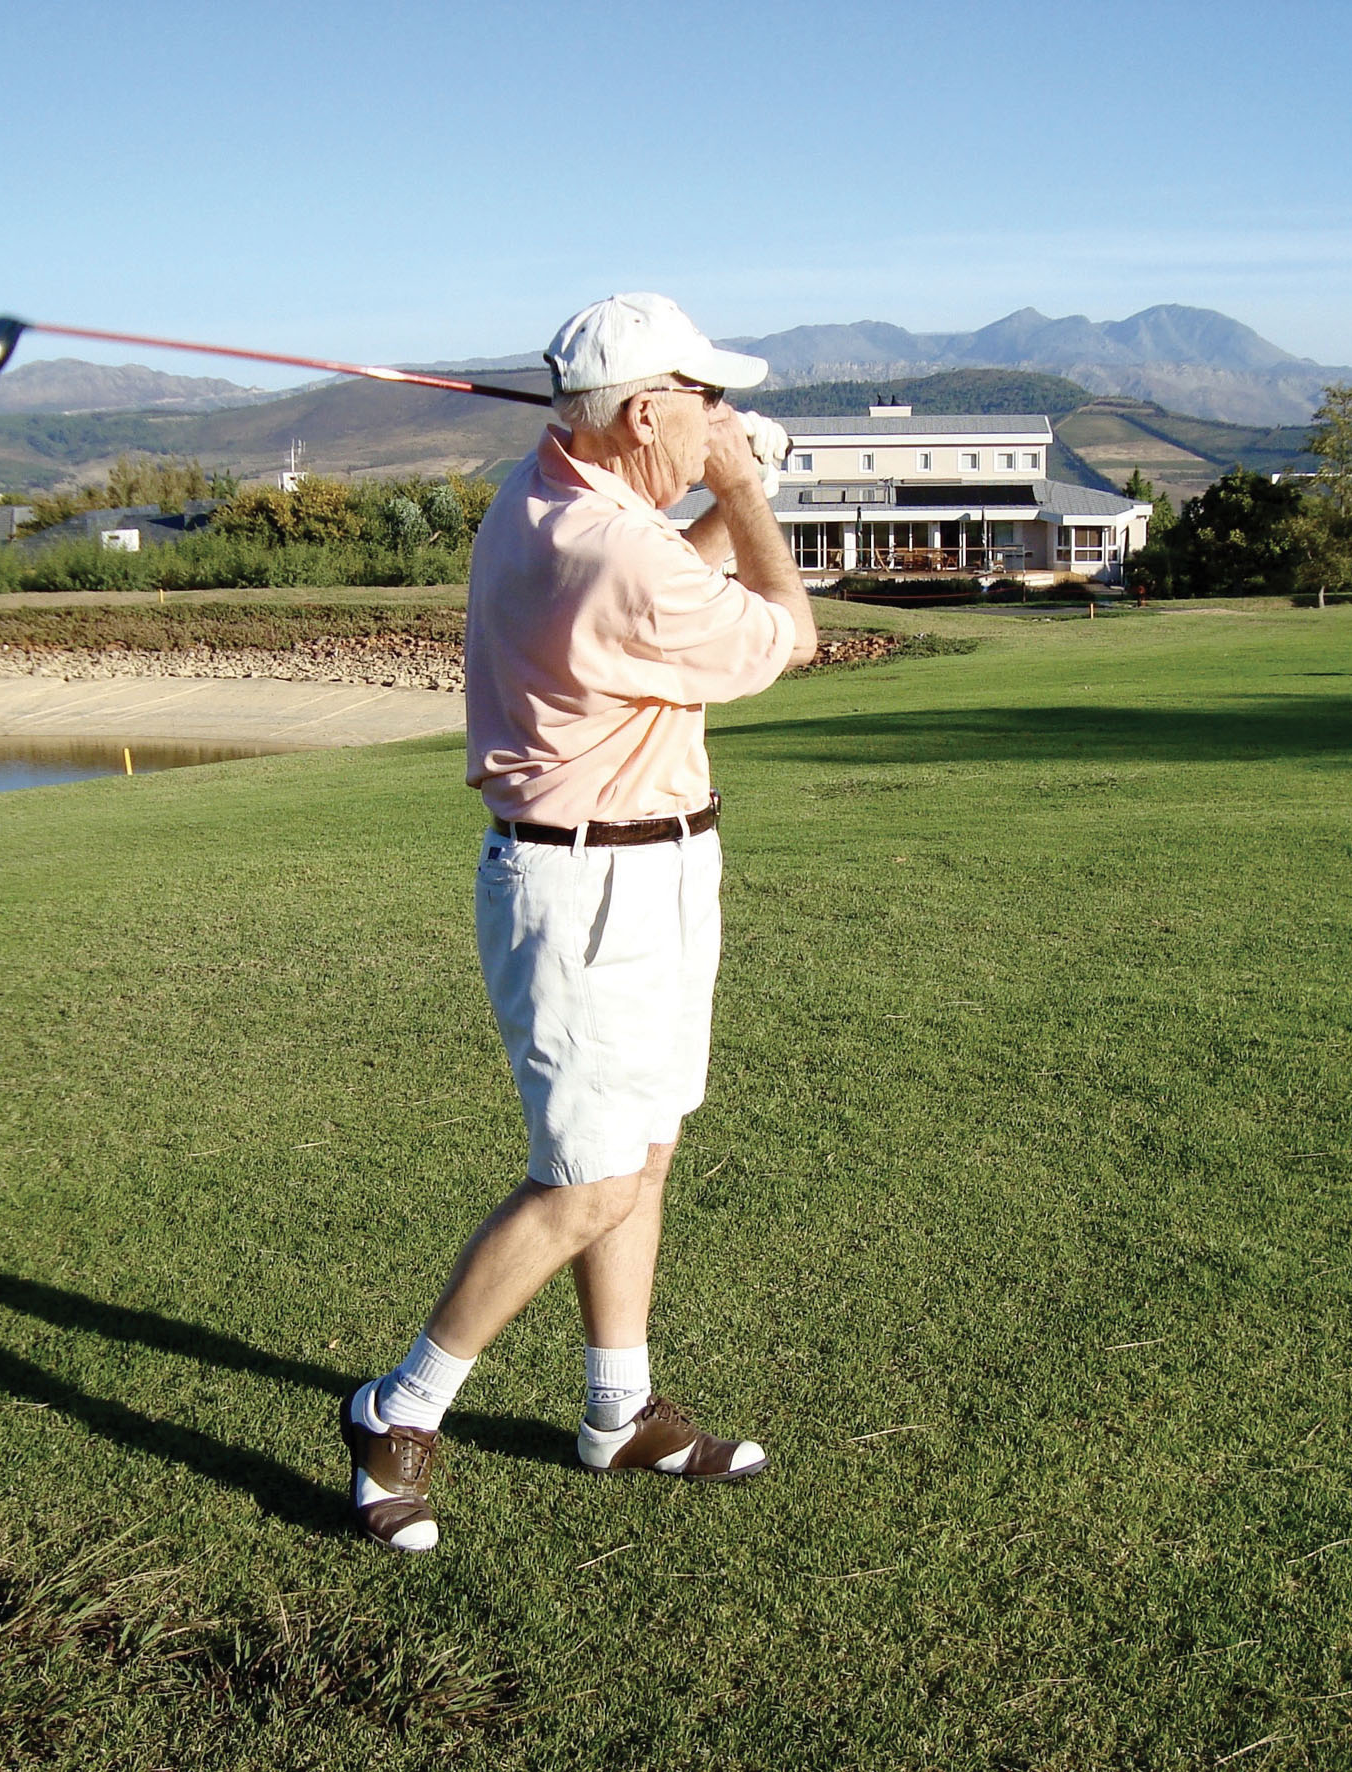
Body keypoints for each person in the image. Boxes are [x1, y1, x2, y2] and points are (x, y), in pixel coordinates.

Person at [339, 294, 818, 1552]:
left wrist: (716, 481)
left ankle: (617, 1410)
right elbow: (787, 633)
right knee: (588, 1178)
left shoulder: (555, 492)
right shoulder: (609, 548)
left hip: (655, 866)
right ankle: (398, 1407)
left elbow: (673, 572)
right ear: (646, 410)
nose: (718, 416)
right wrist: (746, 487)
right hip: (588, 890)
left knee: (642, 1153)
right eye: (702, 400)